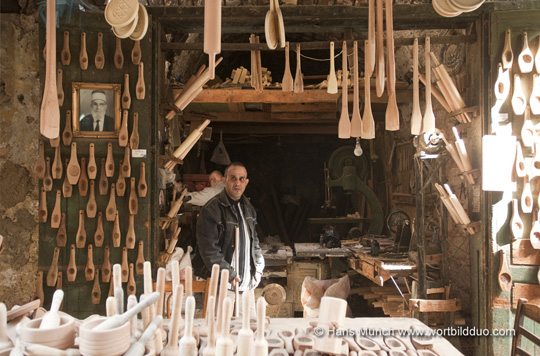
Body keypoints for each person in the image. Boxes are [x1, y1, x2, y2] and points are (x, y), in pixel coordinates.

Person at [192, 162, 264, 316]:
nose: (237, 182)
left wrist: (258, 266)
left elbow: (254, 241)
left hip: (247, 284)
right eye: (233, 178)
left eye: (241, 178)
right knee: (220, 332)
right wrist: (229, 275)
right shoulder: (211, 210)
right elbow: (209, 251)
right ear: (224, 180)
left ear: (246, 182)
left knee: (250, 331)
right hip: (223, 286)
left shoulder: (248, 207)